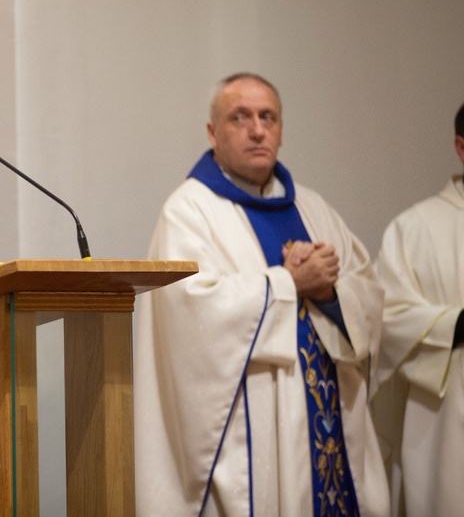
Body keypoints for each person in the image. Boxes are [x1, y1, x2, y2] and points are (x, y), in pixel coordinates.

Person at [134, 73, 388, 516]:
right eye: (240, 117)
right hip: (254, 445)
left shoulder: (313, 208)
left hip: (329, 431)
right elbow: (191, 314)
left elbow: (368, 293)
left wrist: (330, 291)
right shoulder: (189, 211)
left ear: (281, 130)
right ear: (213, 132)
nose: (257, 130)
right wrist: (288, 283)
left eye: (268, 117)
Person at [371, 101, 464, 516]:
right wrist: (455, 324)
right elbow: (386, 316)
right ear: (461, 148)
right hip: (446, 418)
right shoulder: (415, 228)